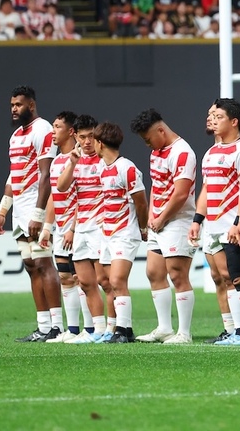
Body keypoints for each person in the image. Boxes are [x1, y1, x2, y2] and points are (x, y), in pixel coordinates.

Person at [0, 86, 62, 342]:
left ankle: (57, 327)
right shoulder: (16, 136)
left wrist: (39, 214)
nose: (14, 109)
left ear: (31, 105)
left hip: (35, 208)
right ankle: (42, 327)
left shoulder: (42, 129)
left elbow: (46, 175)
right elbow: (14, 175)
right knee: (31, 266)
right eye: (12, 105)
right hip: (19, 211)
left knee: (44, 263)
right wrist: (2, 211)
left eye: (18, 104)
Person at [189, 99, 240, 345]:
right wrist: (198, 219)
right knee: (225, 277)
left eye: (219, 117)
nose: (213, 120)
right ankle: (238, 332)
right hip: (214, 225)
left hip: (234, 223)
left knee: (239, 276)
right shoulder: (211, 153)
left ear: (234, 121)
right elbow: (207, 189)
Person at [130, 109, 198, 345]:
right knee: (154, 272)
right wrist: (151, 215)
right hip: (158, 221)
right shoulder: (157, 153)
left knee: (178, 274)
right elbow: (156, 185)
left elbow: (180, 195)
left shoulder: (182, 153)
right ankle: (164, 328)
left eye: (148, 139)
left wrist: (161, 218)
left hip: (179, 221)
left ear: (161, 130)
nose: (148, 144)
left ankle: (184, 333)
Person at [92, 122, 149, 344]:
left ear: (100, 143)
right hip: (106, 232)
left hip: (125, 232)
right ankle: (115, 327)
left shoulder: (127, 168)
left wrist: (142, 228)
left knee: (117, 280)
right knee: (105, 282)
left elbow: (141, 203)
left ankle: (124, 331)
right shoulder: (100, 167)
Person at [60, 114, 112, 344]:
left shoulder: (105, 160)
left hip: (101, 229)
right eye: (83, 137)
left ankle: (115, 328)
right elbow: (61, 188)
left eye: (91, 136)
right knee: (85, 282)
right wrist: (71, 162)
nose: (88, 142)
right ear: (76, 137)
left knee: (105, 281)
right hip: (81, 228)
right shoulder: (75, 160)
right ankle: (95, 330)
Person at [39, 110, 86, 342]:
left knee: (82, 279)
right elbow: (54, 198)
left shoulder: (80, 160)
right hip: (60, 229)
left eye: (57, 127)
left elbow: (85, 197)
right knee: (66, 278)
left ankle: (91, 329)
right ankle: (73, 330)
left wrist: (72, 228)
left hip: (76, 229)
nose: (52, 131)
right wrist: (48, 226)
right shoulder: (58, 161)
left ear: (70, 132)